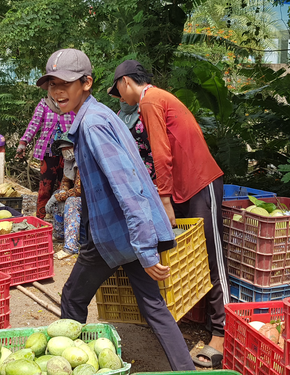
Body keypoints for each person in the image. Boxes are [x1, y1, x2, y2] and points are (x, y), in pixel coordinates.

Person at [37, 48, 196, 371]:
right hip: (128, 233)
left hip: (114, 235)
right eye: (52, 84)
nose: (57, 91)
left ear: (86, 83)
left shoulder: (93, 125)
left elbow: (130, 190)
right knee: (154, 306)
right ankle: (186, 370)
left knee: (73, 297)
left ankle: (72, 363)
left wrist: (145, 249)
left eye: (64, 83)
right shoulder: (100, 115)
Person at [109, 60, 228, 368]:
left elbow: (161, 152)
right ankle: (206, 324)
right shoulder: (159, 98)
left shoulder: (149, 100)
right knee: (196, 257)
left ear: (125, 82)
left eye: (118, 91)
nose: (121, 99)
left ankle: (222, 334)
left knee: (212, 257)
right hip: (186, 188)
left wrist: (164, 199)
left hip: (201, 183)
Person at [16, 93, 75, 219]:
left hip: (69, 154)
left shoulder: (72, 103)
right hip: (49, 153)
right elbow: (34, 124)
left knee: (64, 188)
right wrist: (23, 142)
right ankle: (40, 219)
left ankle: (61, 222)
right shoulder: (44, 104)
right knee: (45, 188)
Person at [45, 134, 82, 259]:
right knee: (58, 194)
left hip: (91, 198)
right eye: (63, 149)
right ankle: (60, 233)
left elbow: (78, 190)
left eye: (68, 148)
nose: (65, 152)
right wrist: (60, 194)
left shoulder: (83, 161)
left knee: (71, 202)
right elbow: (65, 182)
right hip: (78, 195)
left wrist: (60, 197)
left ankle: (71, 247)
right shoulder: (69, 163)